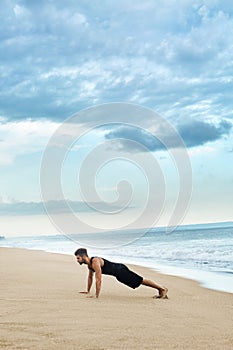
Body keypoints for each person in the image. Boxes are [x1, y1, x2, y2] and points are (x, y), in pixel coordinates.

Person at [74, 248, 168, 299]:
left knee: (140, 281)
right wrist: (88, 290)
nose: (77, 260)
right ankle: (160, 289)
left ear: (84, 256)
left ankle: (162, 289)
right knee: (139, 282)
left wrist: (96, 295)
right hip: (118, 274)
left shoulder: (95, 262)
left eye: (78, 258)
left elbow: (98, 279)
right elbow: (90, 277)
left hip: (121, 270)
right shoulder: (90, 265)